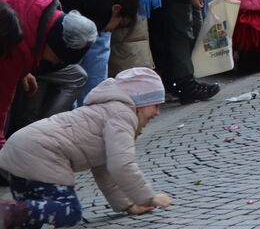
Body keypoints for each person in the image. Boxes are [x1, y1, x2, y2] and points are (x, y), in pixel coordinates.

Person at [0, 67, 172, 227]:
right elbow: (121, 164)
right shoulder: (122, 115)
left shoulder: (107, 110)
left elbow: (105, 167)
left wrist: (128, 204)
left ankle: (7, 210)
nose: (158, 112)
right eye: (156, 105)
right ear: (141, 100)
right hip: (41, 151)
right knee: (69, 212)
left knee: (27, 217)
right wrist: (148, 198)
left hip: (19, 145)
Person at [0, 0, 97, 149]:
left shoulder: (41, 5)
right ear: (54, 44)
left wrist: (24, 71)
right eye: (59, 58)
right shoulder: (17, 45)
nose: (56, 64)